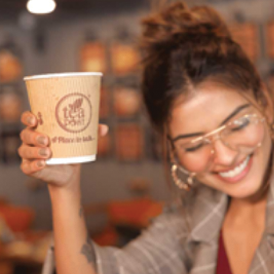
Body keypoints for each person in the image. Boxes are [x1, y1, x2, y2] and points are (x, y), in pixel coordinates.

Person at [18, 1, 274, 274]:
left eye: (238, 125)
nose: (224, 155)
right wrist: (65, 189)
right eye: (195, 144)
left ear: (265, 99)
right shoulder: (196, 215)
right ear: (172, 148)